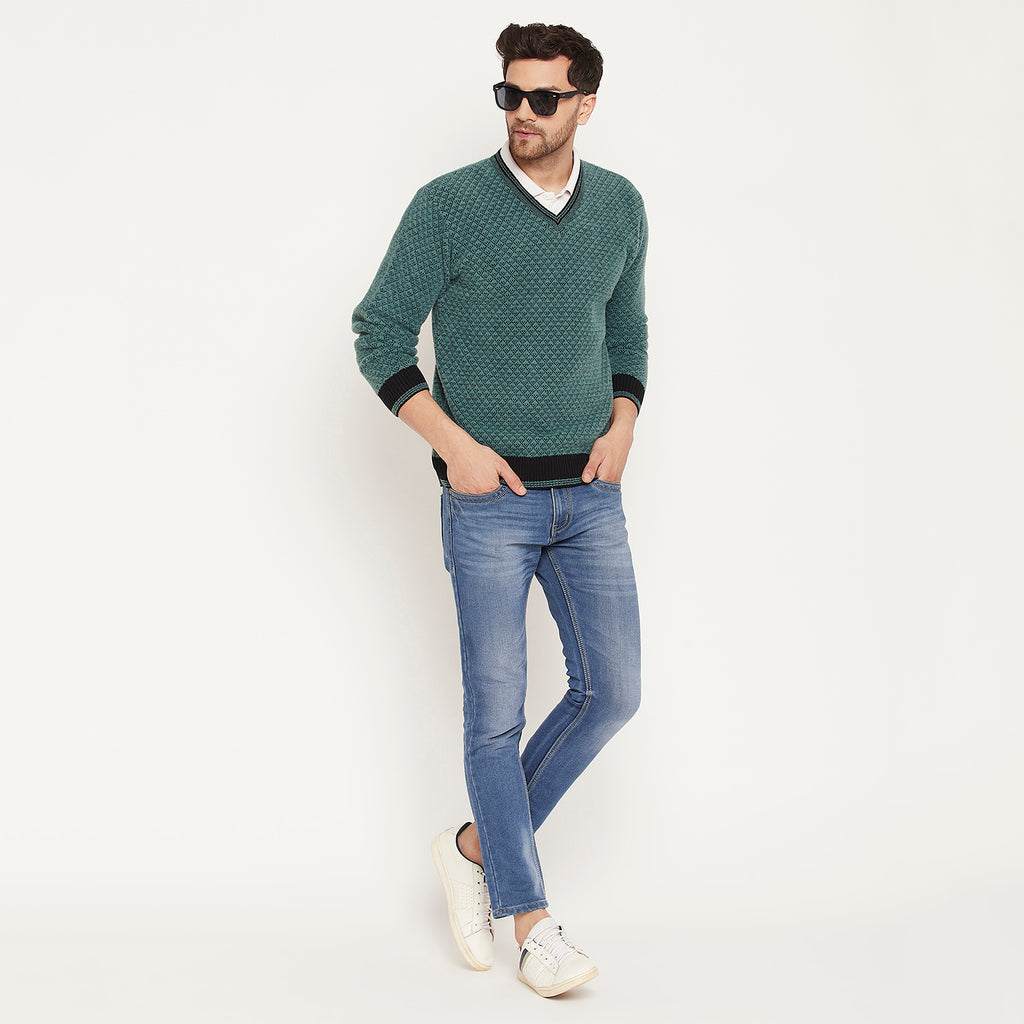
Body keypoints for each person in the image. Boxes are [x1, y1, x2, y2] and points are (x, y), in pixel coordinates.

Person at [353, 22, 648, 998]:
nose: (521, 113)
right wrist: (455, 445)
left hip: (590, 496)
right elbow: (379, 332)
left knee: (612, 692)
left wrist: (625, 420)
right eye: (508, 95)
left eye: (542, 98)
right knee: (494, 715)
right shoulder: (448, 207)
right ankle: (534, 926)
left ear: (585, 104)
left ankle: (474, 846)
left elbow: (627, 327)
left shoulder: (620, 206)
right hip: (488, 505)